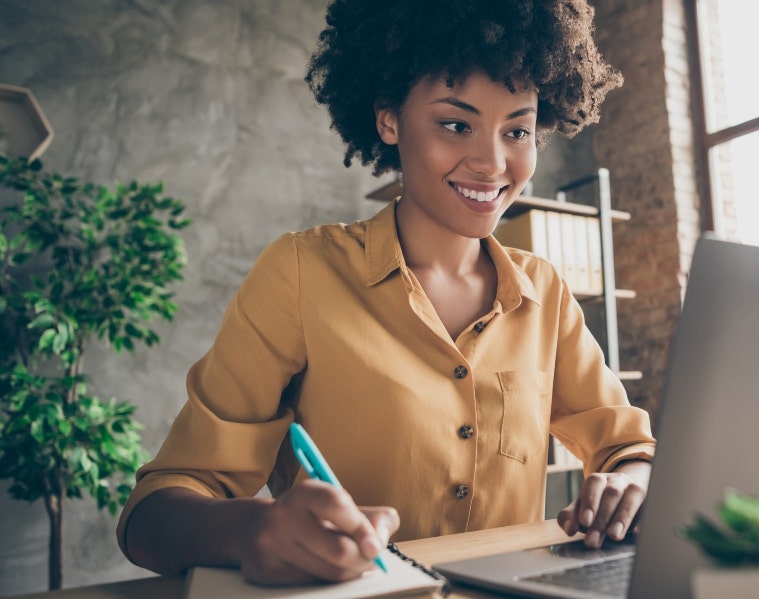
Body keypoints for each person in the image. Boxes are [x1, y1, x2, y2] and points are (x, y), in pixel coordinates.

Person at [117, 0, 655, 585]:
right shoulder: (301, 274)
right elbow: (152, 517)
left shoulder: (544, 292)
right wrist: (253, 532)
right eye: (456, 124)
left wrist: (629, 482)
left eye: (517, 130)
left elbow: (628, 446)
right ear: (389, 121)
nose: (492, 163)